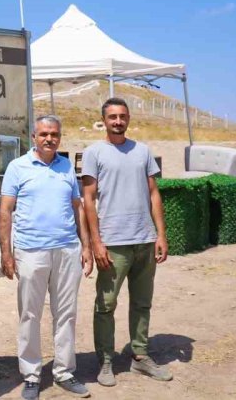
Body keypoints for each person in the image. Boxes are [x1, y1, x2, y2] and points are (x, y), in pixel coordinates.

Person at [0, 115, 93, 399]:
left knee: (66, 314)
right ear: (34, 137)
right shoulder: (17, 167)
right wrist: (6, 253)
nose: (49, 139)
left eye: (54, 134)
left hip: (67, 249)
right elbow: (5, 212)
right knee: (30, 314)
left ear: (59, 137)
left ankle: (64, 372)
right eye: (44, 134)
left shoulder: (66, 167)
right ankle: (31, 376)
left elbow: (78, 208)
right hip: (31, 251)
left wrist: (85, 245)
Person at [82, 97, 172, 386]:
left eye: (122, 116)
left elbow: (153, 193)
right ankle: (106, 360)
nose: (118, 121)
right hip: (113, 242)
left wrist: (161, 234)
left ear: (129, 118)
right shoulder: (94, 153)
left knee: (142, 302)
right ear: (104, 120)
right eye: (112, 117)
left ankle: (140, 356)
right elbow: (89, 199)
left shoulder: (142, 150)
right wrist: (97, 242)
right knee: (106, 305)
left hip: (144, 239)